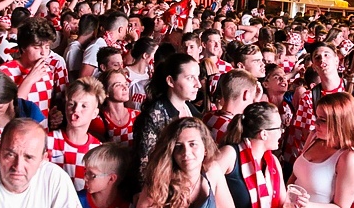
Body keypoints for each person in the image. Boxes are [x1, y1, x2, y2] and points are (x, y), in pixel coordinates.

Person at [132, 117, 239, 208]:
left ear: (205, 148)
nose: (186, 152)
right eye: (178, 146)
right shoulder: (159, 179)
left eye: (192, 144)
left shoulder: (213, 171)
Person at [216, 101, 304, 208]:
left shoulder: (273, 162)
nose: (282, 132)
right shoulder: (230, 154)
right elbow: (204, 187)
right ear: (264, 134)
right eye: (279, 128)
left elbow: (282, 206)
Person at [288, 93, 354, 208]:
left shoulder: (348, 157)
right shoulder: (314, 137)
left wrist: (307, 206)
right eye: (316, 117)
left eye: (322, 120)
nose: (315, 123)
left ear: (341, 123)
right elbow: (294, 178)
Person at [132, 53, 201, 189]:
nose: (197, 84)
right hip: (162, 187)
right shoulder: (154, 116)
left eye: (197, 77)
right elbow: (144, 167)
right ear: (170, 81)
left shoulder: (192, 111)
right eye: (190, 78)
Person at [48, 76, 104, 191]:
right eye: (71, 104)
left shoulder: (98, 150)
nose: (76, 110)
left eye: (84, 106)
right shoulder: (47, 141)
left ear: (95, 113)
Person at [79, 142, 136, 208]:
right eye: (85, 171)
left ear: (111, 179)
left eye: (92, 174)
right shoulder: (76, 201)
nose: (85, 178)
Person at [201, 69, 257, 145]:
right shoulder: (234, 128)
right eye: (253, 96)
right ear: (246, 94)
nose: (253, 101)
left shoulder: (208, 116)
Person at [89, 69, 139, 148]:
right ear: (106, 92)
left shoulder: (137, 116)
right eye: (118, 85)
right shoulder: (98, 120)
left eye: (126, 84)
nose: (125, 88)